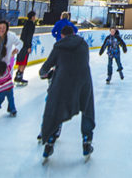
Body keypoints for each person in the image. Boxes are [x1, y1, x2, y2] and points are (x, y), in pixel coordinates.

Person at [39, 25, 95, 160]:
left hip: (63, 82)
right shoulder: (83, 44)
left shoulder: (59, 46)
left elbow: (46, 67)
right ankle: (86, 140)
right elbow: (85, 61)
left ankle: (50, 141)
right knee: (87, 108)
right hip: (84, 80)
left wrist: (43, 73)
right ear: (74, 33)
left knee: (57, 107)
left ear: (62, 35)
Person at [15, 11, 36, 85]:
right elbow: (29, 36)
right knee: (23, 61)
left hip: (22, 44)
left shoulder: (26, 23)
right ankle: (20, 76)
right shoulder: (31, 25)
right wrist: (29, 46)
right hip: (26, 45)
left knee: (21, 60)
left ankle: (17, 75)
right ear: (32, 17)